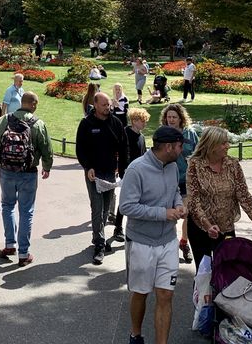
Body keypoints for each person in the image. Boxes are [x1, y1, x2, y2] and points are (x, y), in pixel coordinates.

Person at [118, 126, 187, 344]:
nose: (181, 150)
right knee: (141, 293)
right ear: (168, 147)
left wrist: (178, 205)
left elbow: (175, 190)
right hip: (141, 242)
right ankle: (135, 334)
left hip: (168, 241)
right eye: (179, 146)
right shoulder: (136, 169)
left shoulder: (173, 166)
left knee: (166, 295)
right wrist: (163, 213)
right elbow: (126, 207)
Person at [186, 126, 252, 271]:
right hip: (201, 229)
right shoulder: (195, 165)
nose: (228, 146)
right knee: (203, 276)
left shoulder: (233, 164)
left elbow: (244, 196)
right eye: (223, 143)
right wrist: (208, 226)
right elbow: (194, 201)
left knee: (227, 274)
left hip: (225, 228)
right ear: (212, 145)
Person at [0, 92, 53, 267]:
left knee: (8, 206)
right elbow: (46, 147)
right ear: (33, 104)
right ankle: (24, 253)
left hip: (7, 171)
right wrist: (46, 167)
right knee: (26, 211)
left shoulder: (3, 121)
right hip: (28, 172)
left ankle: (10, 244)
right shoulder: (38, 124)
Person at [76, 92, 128, 264]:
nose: (108, 108)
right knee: (97, 208)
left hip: (110, 173)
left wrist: (122, 169)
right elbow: (80, 149)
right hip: (94, 173)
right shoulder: (86, 124)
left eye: (109, 105)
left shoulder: (116, 123)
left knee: (106, 209)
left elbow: (123, 147)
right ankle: (99, 244)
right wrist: (87, 166)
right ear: (96, 105)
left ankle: (99, 236)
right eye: (104, 105)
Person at [159, 103, 198, 263]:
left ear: (181, 118)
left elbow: (198, 153)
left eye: (174, 117)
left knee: (187, 213)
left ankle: (184, 242)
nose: (171, 120)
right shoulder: (162, 134)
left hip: (186, 180)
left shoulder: (190, 133)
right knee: (170, 215)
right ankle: (169, 245)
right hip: (168, 180)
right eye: (169, 117)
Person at [113, 107, 148, 241]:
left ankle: (134, 228)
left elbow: (144, 156)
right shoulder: (125, 133)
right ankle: (118, 228)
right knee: (126, 200)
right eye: (142, 120)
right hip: (126, 171)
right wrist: (121, 168)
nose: (145, 123)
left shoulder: (142, 137)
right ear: (134, 121)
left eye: (145, 120)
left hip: (140, 173)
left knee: (137, 200)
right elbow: (121, 152)